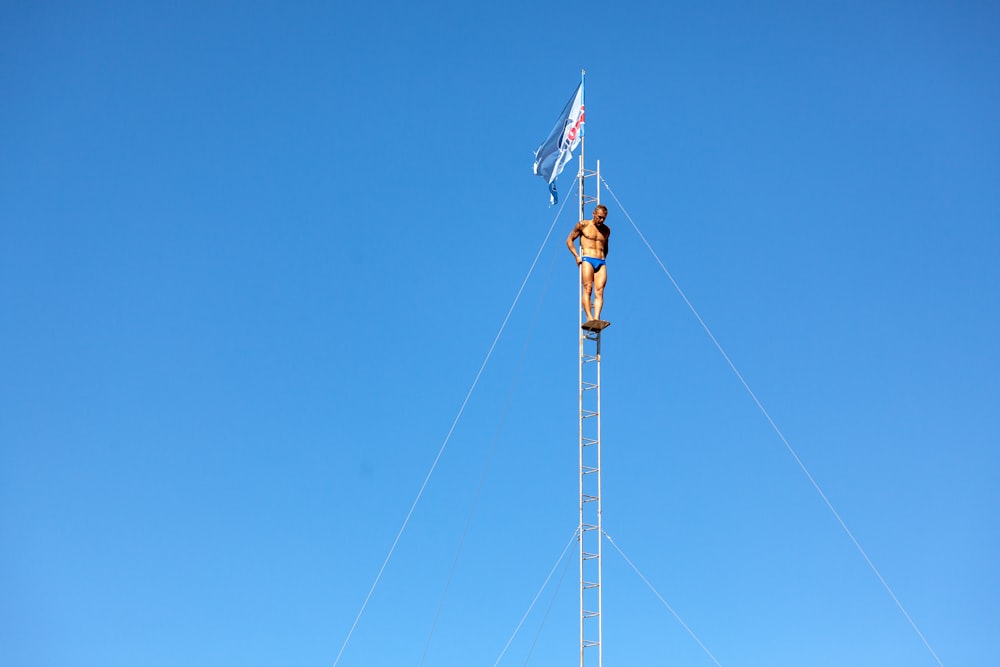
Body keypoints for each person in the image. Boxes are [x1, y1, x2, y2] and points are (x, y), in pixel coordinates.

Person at [566, 204, 611, 324]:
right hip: (587, 259)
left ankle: (596, 317)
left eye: (604, 218)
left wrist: (603, 257)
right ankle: (589, 317)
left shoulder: (606, 230)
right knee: (588, 288)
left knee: (600, 290)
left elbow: (606, 247)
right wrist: (576, 256)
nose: (601, 220)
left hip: (600, 261)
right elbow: (569, 240)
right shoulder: (583, 225)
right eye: (600, 217)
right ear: (594, 214)